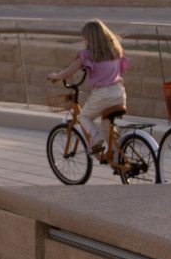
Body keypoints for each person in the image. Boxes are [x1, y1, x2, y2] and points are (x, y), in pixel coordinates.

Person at [45, 20, 129, 159]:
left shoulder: (87, 54)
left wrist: (56, 76)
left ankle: (95, 138)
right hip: (119, 93)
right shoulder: (115, 50)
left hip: (103, 95)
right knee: (107, 127)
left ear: (89, 38)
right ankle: (118, 158)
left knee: (83, 117)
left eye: (83, 37)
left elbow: (69, 72)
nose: (82, 40)